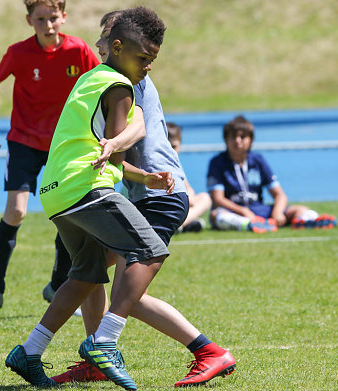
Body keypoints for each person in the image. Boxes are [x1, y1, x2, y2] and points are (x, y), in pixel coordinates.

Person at [48, 10, 236, 388]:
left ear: (120, 44)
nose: (100, 45)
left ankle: (207, 351)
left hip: (161, 195)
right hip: (144, 192)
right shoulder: (117, 76)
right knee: (93, 274)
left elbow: (135, 129)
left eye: (105, 37)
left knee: (127, 290)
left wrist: (114, 149)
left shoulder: (127, 77)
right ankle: (97, 355)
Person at [5, 7, 170, 390]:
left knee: (85, 275)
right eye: (143, 58)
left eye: (153, 61)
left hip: (56, 193)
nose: (147, 68)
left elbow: (97, 148)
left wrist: (144, 176)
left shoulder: (90, 77)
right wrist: (121, 146)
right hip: (86, 188)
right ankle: (105, 341)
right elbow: (112, 151)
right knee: (150, 251)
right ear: (117, 47)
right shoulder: (120, 87)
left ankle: (29, 351)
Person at [0, 0, 100, 319]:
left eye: (53, 18)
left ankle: (57, 285)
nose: (48, 24)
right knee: (17, 212)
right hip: (23, 141)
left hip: (64, 144)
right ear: (29, 20)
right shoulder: (18, 53)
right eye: (40, 18)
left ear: (64, 17)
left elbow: (99, 87)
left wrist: (100, 133)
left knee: (68, 213)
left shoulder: (79, 51)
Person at [207, 115, 337, 232]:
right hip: (236, 211)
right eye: (233, 137)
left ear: (251, 140)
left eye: (242, 137)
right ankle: (247, 225)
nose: (237, 141)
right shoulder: (217, 162)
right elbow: (218, 199)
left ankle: (309, 221)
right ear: (225, 139)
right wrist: (243, 211)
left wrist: (277, 212)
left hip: (258, 209)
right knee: (216, 215)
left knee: (300, 209)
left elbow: (280, 195)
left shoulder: (258, 160)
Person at [167, 121, 212, 232]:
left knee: (205, 198)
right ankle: (179, 225)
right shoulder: (157, 162)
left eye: (174, 146)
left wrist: (190, 197)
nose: (171, 151)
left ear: (180, 145)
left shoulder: (177, 163)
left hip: (177, 207)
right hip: (162, 207)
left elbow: (188, 187)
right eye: (167, 147)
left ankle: (180, 224)